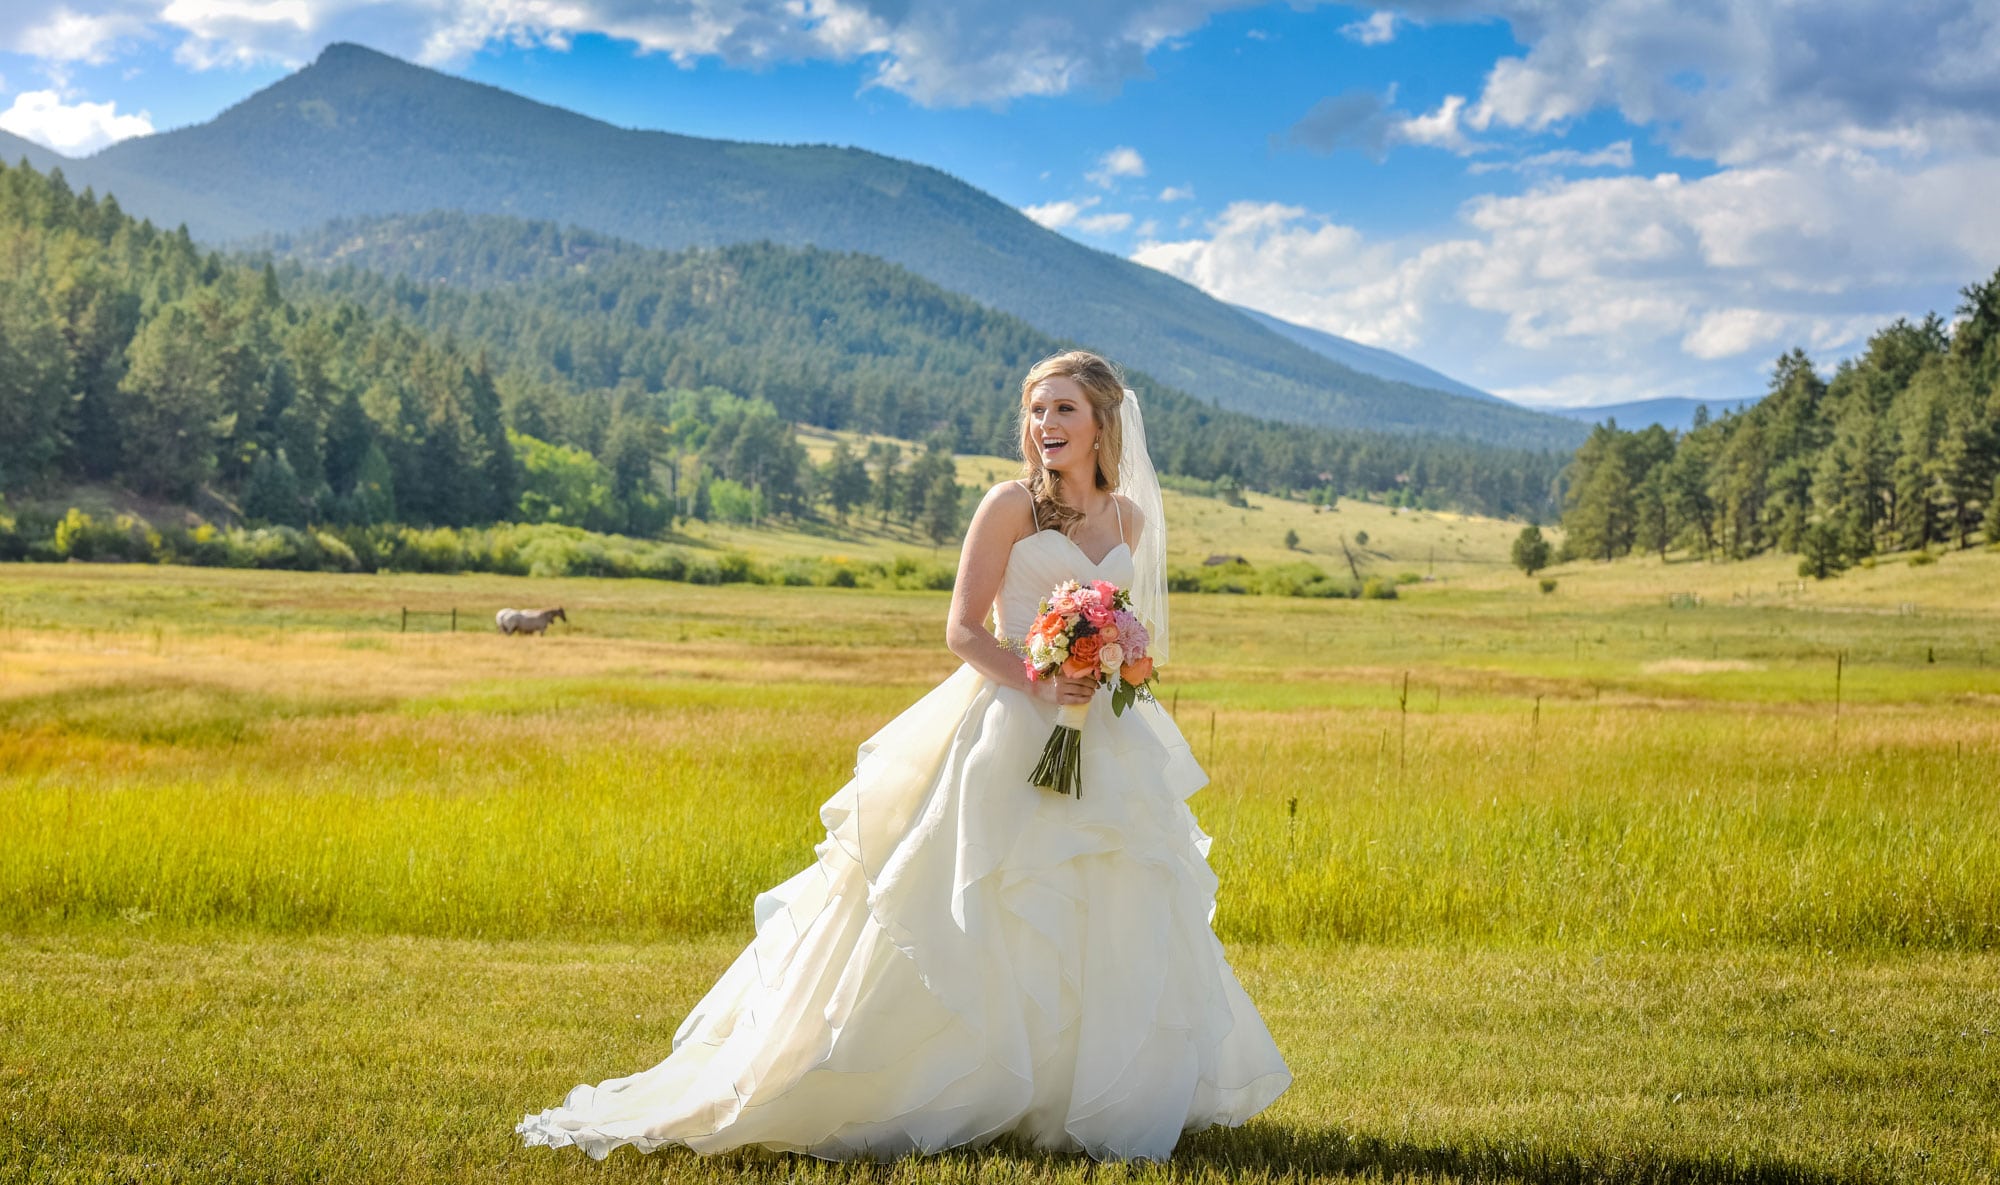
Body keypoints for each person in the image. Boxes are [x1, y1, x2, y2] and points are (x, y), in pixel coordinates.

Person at [516, 350, 1290, 1162]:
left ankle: (1069, 1094)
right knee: (979, 899)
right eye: (1036, 412)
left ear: (1102, 421)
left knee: (1104, 902)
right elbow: (962, 630)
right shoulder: (1008, 508)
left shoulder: (1127, 519)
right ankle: (939, 1080)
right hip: (1007, 723)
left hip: (1097, 736)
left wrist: (1107, 666)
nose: (1047, 427)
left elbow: (1128, 627)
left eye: (1063, 410)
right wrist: (1040, 678)